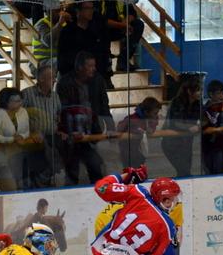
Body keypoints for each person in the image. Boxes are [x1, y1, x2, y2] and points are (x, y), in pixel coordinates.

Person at [56, 51, 112, 184]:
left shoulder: (98, 80)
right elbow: (62, 111)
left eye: (94, 65)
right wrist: (66, 131)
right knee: (72, 170)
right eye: (90, 66)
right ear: (80, 67)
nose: (94, 69)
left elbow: (104, 105)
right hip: (71, 134)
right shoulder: (65, 82)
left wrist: (110, 127)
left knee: (95, 166)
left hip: (91, 130)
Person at [95, 0, 144, 75]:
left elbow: (132, 13)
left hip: (121, 28)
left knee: (138, 24)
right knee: (100, 28)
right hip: (104, 30)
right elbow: (100, 20)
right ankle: (105, 67)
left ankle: (123, 60)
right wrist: (122, 25)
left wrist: (126, 23)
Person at [0, 87, 30, 192]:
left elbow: (26, 131)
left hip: (10, 157)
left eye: (20, 100)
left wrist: (22, 137)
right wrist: (11, 139)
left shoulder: (23, 112)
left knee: (11, 189)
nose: (20, 103)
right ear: (6, 102)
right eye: (16, 101)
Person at [21, 60, 61, 187]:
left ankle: (43, 182)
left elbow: (59, 115)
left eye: (55, 77)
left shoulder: (55, 96)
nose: (55, 80)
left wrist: (60, 129)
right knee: (44, 161)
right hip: (34, 140)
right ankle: (39, 184)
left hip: (53, 137)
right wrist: (31, 133)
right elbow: (19, 118)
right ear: (42, 79)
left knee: (64, 156)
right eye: (52, 78)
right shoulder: (27, 94)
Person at [56, 0, 110, 80]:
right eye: (87, 8)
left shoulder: (95, 31)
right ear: (78, 11)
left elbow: (101, 53)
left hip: (92, 75)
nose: (91, 11)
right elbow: (63, 57)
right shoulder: (68, 31)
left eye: (92, 8)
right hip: (73, 75)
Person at [159, 74, 202, 178]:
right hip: (172, 143)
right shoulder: (177, 103)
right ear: (189, 91)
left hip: (186, 142)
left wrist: (199, 126)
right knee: (184, 171)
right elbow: (174, 122)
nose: (200, 93)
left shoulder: (197, 104)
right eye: (197, 90)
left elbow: (204, 119)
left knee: (185, 171)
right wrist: (189, 128)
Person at [116, 96, 161, 170]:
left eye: (157, 113)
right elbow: (119, 128)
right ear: (146, 112)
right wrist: (135, 131)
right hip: (127, 149)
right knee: (129, 169)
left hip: (139, 149)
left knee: (140, 166)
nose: (156, 115)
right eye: (155, 113)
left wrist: (151, 129)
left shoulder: (152, 118)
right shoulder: (131, 119)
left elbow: (153, 126)